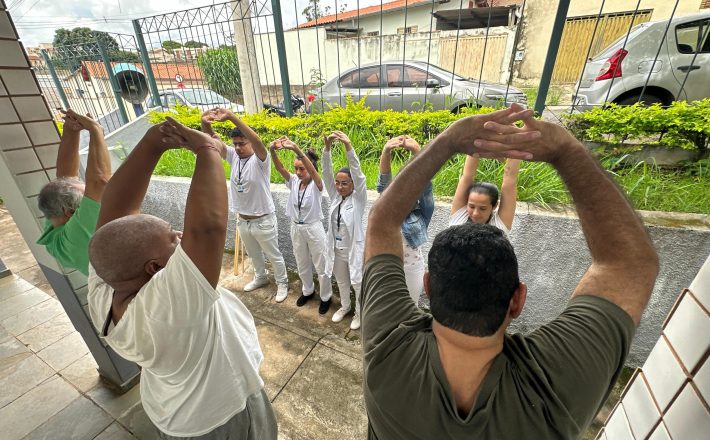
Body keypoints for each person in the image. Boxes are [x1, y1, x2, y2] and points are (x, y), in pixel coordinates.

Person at [360, 104, 659, 438]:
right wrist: (565, 150)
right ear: (517, 301)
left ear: (429, 287)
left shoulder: (386, 351)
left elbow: (381, 221)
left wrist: (448, 141)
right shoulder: (556, 387)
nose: (473, 210)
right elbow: (629, 265)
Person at [87, 118, 277, 439]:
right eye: (172, 239)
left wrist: (152, 143)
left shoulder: (108, 280)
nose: (179, 234)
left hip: (173, 413)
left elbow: (115, 212)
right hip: (221, 417)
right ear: (153, 268)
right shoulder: (170, 309)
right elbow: (206, 230)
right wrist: (208, 149)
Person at [200, 108, 288, 301]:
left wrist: (231, 117)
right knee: (254, 255)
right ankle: (261, 278)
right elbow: (210, 141)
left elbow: (256, 140)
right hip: (243, 220)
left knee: (274, 255)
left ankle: (282, 284)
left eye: (242, 143)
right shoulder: (233, 156)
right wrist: (205, 122)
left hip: (263, 219)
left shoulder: (260, 160)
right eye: (236, 144)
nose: (238, 147)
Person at [36, 110, 111, 276]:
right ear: (70, 212)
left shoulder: (54, 224)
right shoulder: (75, 235)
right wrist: (96, 130)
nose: (91, 197)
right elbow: (100, 182)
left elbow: (65, 176)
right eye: (86, 199)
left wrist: (70, 130)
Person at [270, 135, 333, 313]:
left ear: (310, 169)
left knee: (321, 264)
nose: (298, 173)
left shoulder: (317, 185)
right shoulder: (294, 182)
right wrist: (272, 150)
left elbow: (314, 174)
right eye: (296, 169)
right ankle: (308, 290)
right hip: (296, 226)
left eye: (302, 169)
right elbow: (279, 167)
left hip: (313, 228)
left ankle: (326, 297)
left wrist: (297, 149)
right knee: (301, 261)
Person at [376, 135, 434, 305]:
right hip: (388, 267)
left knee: (410, 306)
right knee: (388, 307)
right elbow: (384, 182)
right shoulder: (385, 210)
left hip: (412, 269)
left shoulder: (422, 213)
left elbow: (425, 185)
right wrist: (386, 151)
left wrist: (417, 151)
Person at [322, 131, 367, 329]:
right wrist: (326, 150)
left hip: (353, 249)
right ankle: (345, 306)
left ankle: (358, 312)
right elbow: (326, 173)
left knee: (357, 283)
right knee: (341, 280)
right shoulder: (334, 197)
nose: (340, 187)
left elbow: (358, 173)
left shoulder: (358, 199)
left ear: (352, 185)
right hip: (337, 250)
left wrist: (349, 147)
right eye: (338, 183)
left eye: (345, 183)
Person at [449, 154, 520, 233]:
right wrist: (479, 144)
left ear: (494, 206)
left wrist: (514, 148)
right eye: (471, 206)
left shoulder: (499, 226)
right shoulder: (461, 216)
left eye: (483, 208)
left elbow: (509, 182)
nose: (475, 214)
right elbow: (467, 176)